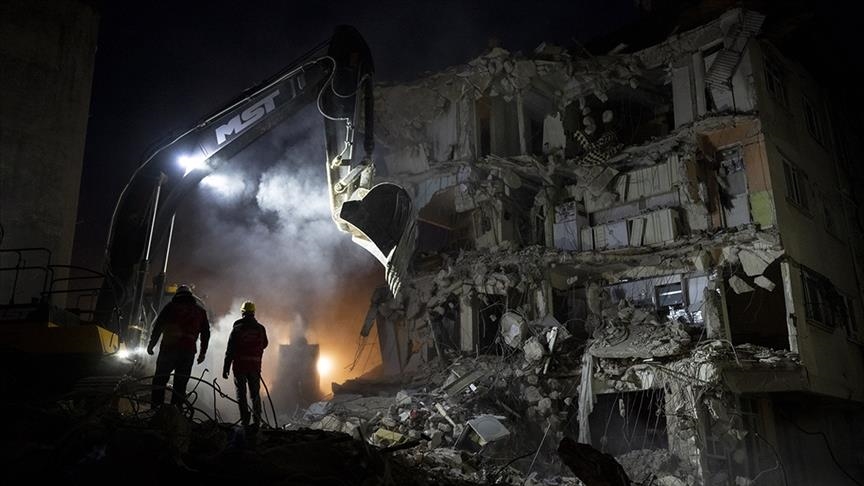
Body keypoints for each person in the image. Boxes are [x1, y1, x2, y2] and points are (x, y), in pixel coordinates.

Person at [147, 284, 211, 408]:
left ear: (177, 294)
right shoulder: (200, 311)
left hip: (168, 349)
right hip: (188, 351)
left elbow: (158, 327)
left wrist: (151, 345)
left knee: (160, 380)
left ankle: (156, 410)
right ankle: (175, 412)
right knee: (180, 384)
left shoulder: (170, 307)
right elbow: (206, 334)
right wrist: (202, 353)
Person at [223, 300, 269, 427]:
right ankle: (257, 420)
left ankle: (245, 420)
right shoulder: (260, 329)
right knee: (255, 395)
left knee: (241, 394)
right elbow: (265, 344)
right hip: (254, 367)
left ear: (242, 313)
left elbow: (230, 350)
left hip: (240, 367)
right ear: (253, 312)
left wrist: (226, 368)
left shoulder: (237, 329)